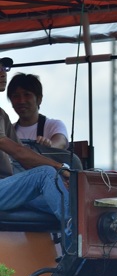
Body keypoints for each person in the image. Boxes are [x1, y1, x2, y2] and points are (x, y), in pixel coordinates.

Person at [0, 60, 72, 225]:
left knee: (70, 199)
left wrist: (62, 181)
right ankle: (75, 240)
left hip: (6, 187)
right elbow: (17, 152)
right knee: (45, 173)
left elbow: (24, 156)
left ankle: (95, 242)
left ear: (39, 99)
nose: (3, 73)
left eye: (4, 68)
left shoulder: (2, 115)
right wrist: (59, 168)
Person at [7, 73, 69, 149]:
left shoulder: (54, 125)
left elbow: (61, 142)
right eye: (16, 96)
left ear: (39, 99)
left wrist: (49, 146)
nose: (21, 101)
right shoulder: (7, 131)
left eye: (27, 95)